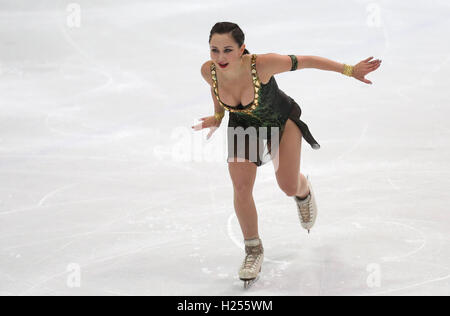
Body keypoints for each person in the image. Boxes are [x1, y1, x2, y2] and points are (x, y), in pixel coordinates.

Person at [192, 22, 381, 287]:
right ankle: (253, 251)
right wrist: (217, 117)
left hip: (279, 121)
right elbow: (218, 95)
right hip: (243, 125)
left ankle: (303, 192)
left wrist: (349, 70)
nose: (220, 57)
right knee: (241, 186)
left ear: (242, 49)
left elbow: (307, 60)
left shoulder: (263, 64)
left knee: (287, 185)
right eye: (214, 50)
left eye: (227, 50)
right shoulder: (208, 71)